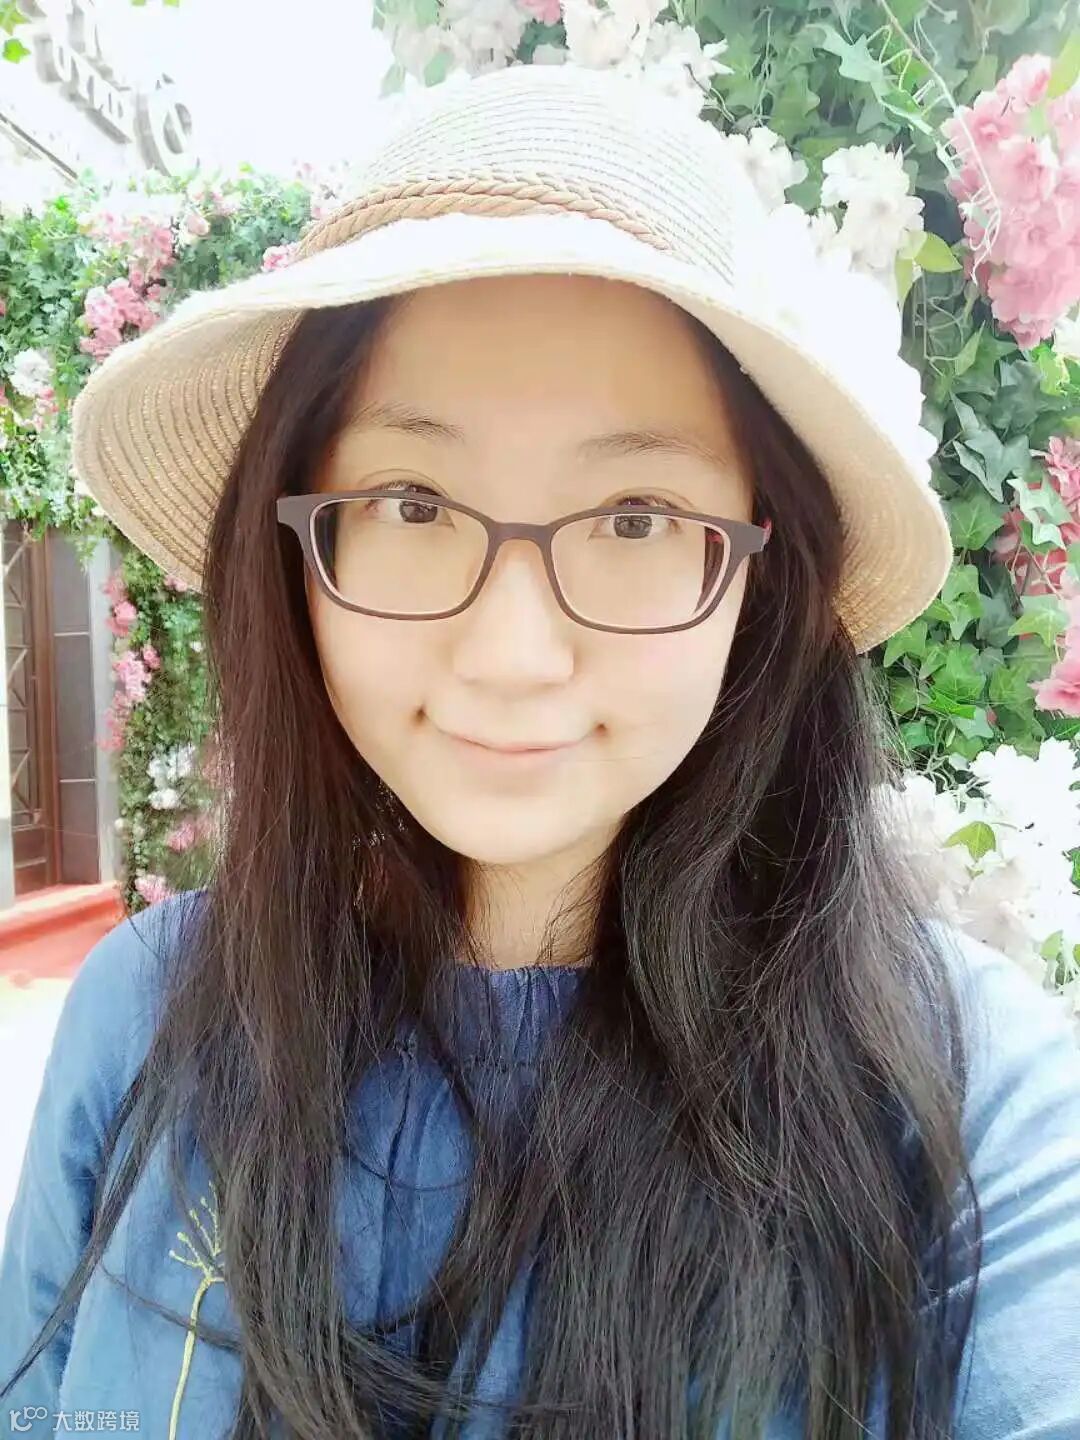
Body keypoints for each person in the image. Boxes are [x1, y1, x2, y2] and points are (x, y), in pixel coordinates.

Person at [2, 62, 1079, 1440]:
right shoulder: (146, 1013)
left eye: (636, 517)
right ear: (298, 547)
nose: (513, 654)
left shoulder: (972, 1105)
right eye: (410, 502)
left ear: (759, 576)